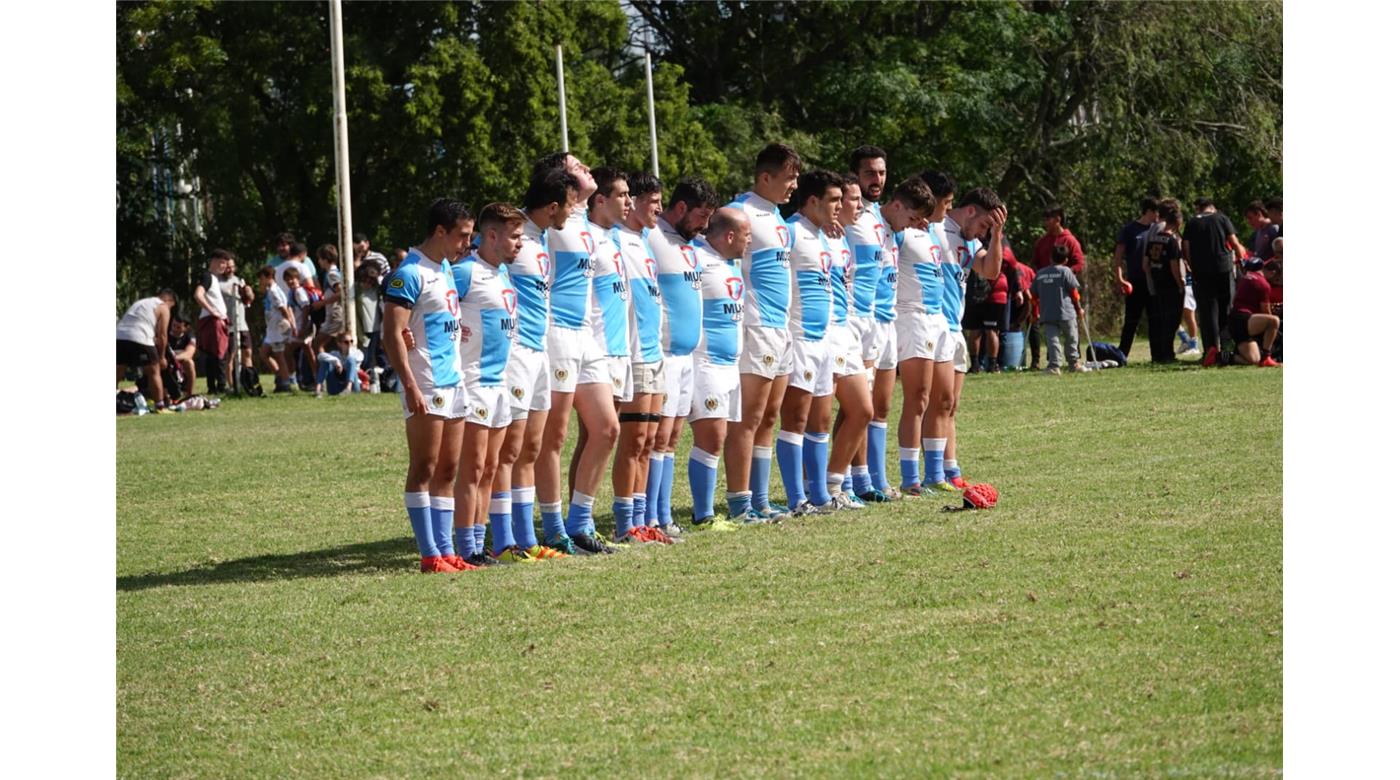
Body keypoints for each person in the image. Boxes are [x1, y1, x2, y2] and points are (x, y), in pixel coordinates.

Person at [533, 151, 622, 556]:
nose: (587, 168)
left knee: (607, 429)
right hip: (556, 336)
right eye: (577, 166)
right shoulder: (547, 223)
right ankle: (553, 529)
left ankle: (580, 522)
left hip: (587, 338)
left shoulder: (589, 225)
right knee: (554, 436)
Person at [381, 198, 476, 574]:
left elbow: (433, 321)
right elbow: (391, 334)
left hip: (454, 382)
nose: (467, 244)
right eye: (462, 236)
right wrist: (409, 385)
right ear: (440, 232)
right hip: (425, 381)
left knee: (449, 469)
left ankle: (447, 551)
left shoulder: (446, 269)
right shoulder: (409, 273)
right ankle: (429, 554)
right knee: (425, 466)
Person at [499, 169, 578, 561]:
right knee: (509, 451)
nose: (573, 211)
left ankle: (527, 538)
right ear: (552, 207)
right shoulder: (511, 237)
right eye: (569, 204)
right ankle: (504, 540)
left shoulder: (542, 239)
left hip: (540, 353)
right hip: (514, 355)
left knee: (531, 447)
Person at [724, 143, 802, 524]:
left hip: (781, 328)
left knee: (770, 416)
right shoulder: (740, 212)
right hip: (755, 326)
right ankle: (739, 503)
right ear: (766, 177)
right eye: (789, 177)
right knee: (748, 418)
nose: (795, 184)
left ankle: (760, 498)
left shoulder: (778, 217)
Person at [450, 203, 527, 567]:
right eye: (514, 236)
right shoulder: (465, 272)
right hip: (473, 383)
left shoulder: (502, 275)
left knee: (491, 468)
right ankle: (466, 546)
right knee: (473, 467)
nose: (520, 244)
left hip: (499, 385)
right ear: (491, 235)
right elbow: (428, 306)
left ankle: (481, 545)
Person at [648, 176, 720, 538]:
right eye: (701, 216)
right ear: (680, 209)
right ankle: (648, 517)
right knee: (655, 438)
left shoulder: (692, 244)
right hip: (661, 355)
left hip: (686, 358)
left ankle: (662, 516)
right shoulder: (653, 238)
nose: (705, 225)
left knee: (672, 438)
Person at [569, 167, 635, 532]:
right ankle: (578, 519)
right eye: (622, 195)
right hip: (597, 350)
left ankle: (584, 515)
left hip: (620, 350)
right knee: (597, 434)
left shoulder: (615, 238)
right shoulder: (584, 235)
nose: (629, 202)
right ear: (600, 200)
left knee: (605, 436)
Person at [775, 170, 843, 516]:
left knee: (821, 420)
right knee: (796, 420)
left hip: (823, 340)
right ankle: (795, 497)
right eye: (833, 200)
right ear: (813, 201)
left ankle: (820, 495)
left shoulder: (823, 237)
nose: (839, 207)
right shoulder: (789, 232)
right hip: (799, 339)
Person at [612, 171, 673, 545]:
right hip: (633, 355)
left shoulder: (645, 240)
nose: (660, 209)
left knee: (649, 441)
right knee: (633, 441)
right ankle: (624, 524)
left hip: (654, 353)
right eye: (653, 202)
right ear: (632, 202)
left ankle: (641, 520)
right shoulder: (616, 239)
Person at [933, 186, 1006, 490]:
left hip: (955, 327)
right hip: (930, 327)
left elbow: (991, 271)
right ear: (970, 211)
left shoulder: (971, 240)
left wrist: (996, 235)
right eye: (985, 225)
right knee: (936, 403)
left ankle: (951, 469)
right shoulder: (935, 229)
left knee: (952, 404)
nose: (984, 231)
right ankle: (932, 473)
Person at [687, 207, 751, 528]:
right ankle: (704, 515)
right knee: (711, 436)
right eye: (745, 235)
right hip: (705, 362)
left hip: (730, 365)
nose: (749, 241)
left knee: (721, 435)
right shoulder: (696, 257)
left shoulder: (730, 263)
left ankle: (732, 507)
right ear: (729, 236)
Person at [893, 170, 953, 497]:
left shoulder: (931, 232)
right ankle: (910, 477)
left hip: (937, 318)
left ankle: (936, 473)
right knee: (917, 398)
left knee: (942, 398)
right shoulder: (901, 231)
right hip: (911, 317)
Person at [823, 173, 875, 509]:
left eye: (853, 200)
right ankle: (817, 490)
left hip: (848, 333)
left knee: (863, 410)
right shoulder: (813, 233)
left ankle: (834, 484)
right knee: (815, 419)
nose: (851, 206)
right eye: (844, 200)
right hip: (821, 334)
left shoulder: (842, 239)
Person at [1182, 197, 1248, 367]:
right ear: (1212, 207)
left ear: (1199, 208)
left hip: (1201, 272)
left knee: (1207, 312)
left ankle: (1210, 352)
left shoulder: (1191, 223)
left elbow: (1186, 248)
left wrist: (1191, 265)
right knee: (1225, 309)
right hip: (1223, 269)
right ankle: (1226, 351)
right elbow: (1234, 243)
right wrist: (1242, 261)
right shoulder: (1221, 218)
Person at [1141, 199, 1186, 363]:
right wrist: (1180, 283)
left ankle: (1158, 354)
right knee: (1172, 320)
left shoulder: (1154, 239)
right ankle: (1168, 354)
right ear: (1177, 223)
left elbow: (1145, 264)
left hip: (1157, 283)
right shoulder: (1172, 241)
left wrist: (1154, 275)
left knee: (1160, 319)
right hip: (1170, 285)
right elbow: (1174, 266)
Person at [116, 289, 176, 411]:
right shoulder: (163, 306)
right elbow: (162, 335)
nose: (169, 309)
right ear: (169, 300)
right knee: (154, 371)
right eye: (171, 306)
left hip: (119, 336)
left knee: (117, 371)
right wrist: (162, 357)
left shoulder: (141, 302)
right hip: (140, 337)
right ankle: (159, 406)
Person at [1115, 197, 1160, 359]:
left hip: (1153, 281)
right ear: (1149, 211)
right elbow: (1119, 256)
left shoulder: (1157, 229)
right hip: (1134, 281)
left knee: (1154, 320)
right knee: (1131, 321)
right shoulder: (1129, 230)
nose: (1158, 216)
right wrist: (1120, 278)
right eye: (1156, 212)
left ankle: (1157, 355)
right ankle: (1122, 355)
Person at [1032, 244, 1084, 375]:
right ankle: (1074, 363)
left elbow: (1033, 296)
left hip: (1047, 313)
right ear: (1066, 260)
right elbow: (1074, 292)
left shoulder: (1040, 274)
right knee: (1071, 337)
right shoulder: (1066, 271)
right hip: (1066, 312)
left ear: (1050, 258)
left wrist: (1034, 311)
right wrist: (1079, 309)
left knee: (1052, 340)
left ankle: (1054, 366)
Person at [1227, 259, 1281, 367]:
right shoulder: (1263, 284)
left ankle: (1219, 356)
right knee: (1274, 321)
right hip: (1243, 319)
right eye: (1277, 278)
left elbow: (1250, 301)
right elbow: (1266, 311)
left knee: (1254, 360)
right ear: (1273, 273)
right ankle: (1267, 357)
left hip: (1235, 319)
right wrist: (1275, 332)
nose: (1275, 281)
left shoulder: (1247, 276)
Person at [192, 250, 231, 394]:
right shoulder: (208, 277)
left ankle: (213, 386)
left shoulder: (213, 279)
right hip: (213, 320)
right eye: (222, 262)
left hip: (212, 319)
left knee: (212, 355)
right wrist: (213, 311)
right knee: (219, 354)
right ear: (213, 261)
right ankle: (220, 385)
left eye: (226, 264)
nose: (224, 266)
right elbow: (198, 294)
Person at [218, 256, 255, 392]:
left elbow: (249, 300)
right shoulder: (218, 283)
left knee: (247, 353)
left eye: (232, 266)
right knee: (231, 356)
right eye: (227, 266)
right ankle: (233, 386)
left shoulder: (239, 281)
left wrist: (249, 293)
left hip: (242, 324)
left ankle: (249, 382)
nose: (230, 269)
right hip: (229, 325)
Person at [257, 265, 295, 392]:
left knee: (279, 355)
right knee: (264, 353)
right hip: (271, 329)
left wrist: (289, 322)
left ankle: (285, 384)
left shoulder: (274, 291)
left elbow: (283, 308)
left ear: (269, 277)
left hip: (278, 328)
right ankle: (280, 376)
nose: (260, 281)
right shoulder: (271, 290)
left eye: (262, 278)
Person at [313, 244, 347, 354]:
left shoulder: (332, 275)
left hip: (335, 315)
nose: (319, 261)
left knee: (317, 344)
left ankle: (324, 369)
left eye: (320, 259)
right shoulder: (335, 273)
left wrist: (322, 303)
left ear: (325, 259)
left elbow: (340, 292)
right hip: (333, 315)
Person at [1032, 205, 1085, 275]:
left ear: (1058, 219)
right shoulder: (1041, 242)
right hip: (1045, 284)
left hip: (1064, 285)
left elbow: (1079, 263)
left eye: (1048, 220)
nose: (1045, 223)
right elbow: (1035, 264)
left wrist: (1064, 274)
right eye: (1044, 220)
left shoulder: (1070, 241)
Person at [167, 316, 198, 399]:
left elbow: (189, 353)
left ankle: (189, 394)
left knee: (190, 363)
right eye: (173, 325)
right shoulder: (165, 335)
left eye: (178, 327)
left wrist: (174, 358)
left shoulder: (190, 336)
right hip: (166, 365)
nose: (174, 329)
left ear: (186, 328)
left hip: (179, 364)